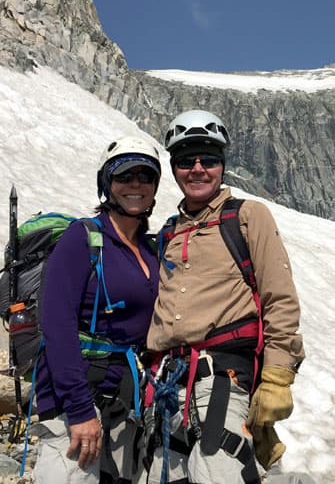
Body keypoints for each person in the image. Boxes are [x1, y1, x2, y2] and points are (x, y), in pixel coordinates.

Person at [145, 109, 307, 484]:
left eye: (209, 159)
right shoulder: (168, 233)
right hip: (168, 385)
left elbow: (279, 297)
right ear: (174, 167)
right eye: (186, 160)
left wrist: (277, 378)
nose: (198, 168)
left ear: (223, 165)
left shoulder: (248, 217)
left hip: (222, 377)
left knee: (217, 473)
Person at [33, 136, 161, 484]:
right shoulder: (82, 238)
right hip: (79, 397)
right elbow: (56, 325)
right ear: (107, 184)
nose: (135, 184)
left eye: (145, 176)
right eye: (124, 176)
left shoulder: (150, 249)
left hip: (124, 400)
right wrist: (78, 409)